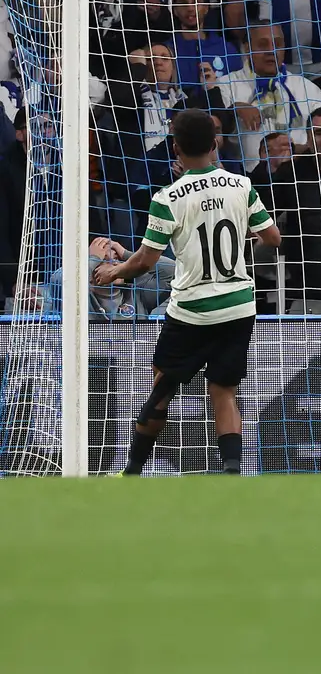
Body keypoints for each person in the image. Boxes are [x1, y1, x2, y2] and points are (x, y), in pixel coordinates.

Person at [91, 110, 281, 476]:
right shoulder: (241, 185)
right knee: (223, 390)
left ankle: (131, 470)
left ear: (175, 147)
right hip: (238, 305)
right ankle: (231, 470)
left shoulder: (168, 197)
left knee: (162, 384)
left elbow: (146, 261)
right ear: (215, 144)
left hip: (192, 309)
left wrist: (114, 269)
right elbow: (273, 238)